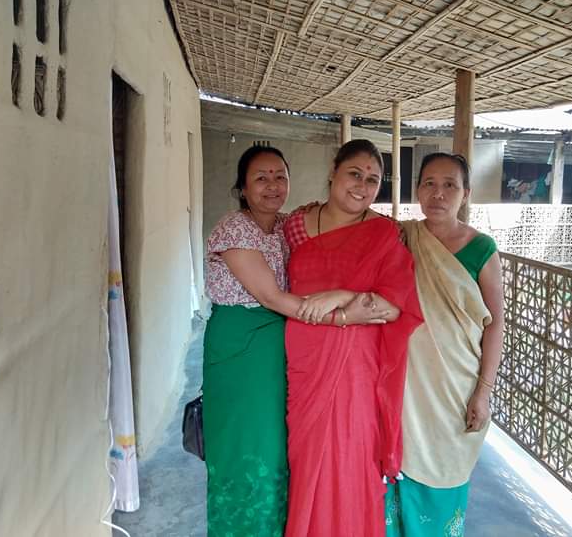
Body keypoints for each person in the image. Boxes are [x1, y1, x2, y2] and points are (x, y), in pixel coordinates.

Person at [203, 145, 388, 537]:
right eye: (261, 178)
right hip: (242, 351)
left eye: (280, 177)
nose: (272, 186)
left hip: (283, 347)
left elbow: (334, 226)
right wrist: (344, 316)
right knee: (242, 450)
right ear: (242, 188)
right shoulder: (234, 228)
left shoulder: (289, 226)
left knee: (276, 452)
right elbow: (272, 297)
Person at [283, 139, 423, 537]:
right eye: (354, 174)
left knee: (350, 455)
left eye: (373, 180)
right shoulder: (295, 224)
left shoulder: (383, 233)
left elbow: (396, 307)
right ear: (333, 171)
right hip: (305, 359)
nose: (362, 186)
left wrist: (342, 296)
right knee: (308, 458)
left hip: (356, 366)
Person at [385, 153, 504, 537]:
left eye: (449, 185)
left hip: (455, 384)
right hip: (405, 384)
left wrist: (483, 391)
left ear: (465, 193)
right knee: (395, 474)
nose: (438, 194)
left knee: (444, 478)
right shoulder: (402, 237)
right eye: (429, 184)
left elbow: (496, 322)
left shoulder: (481, 248)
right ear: (417, 190)